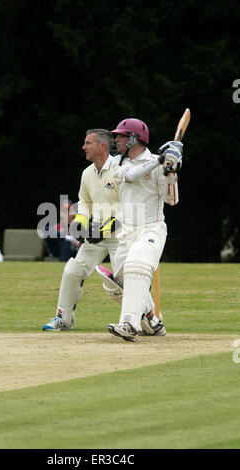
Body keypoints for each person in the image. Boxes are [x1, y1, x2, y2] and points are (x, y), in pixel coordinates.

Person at [96, 117, 183, 341]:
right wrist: (161, 161)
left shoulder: (158, 163)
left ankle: (129, 325)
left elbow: (171, 200)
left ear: (134, 138)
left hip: (151, 228)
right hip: (126, 232)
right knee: (119, 284)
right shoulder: (118, 163)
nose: (116, 139)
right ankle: (153, 321)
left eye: (121, 136)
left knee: (137, 266)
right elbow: (133, 177)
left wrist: (171, 172)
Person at [42, 128, 122, 331]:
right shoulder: (87, 173)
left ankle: (148, 319)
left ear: (102, 146)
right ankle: (63, 318)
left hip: (121, 235)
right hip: (96, 235)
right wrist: (80, 223)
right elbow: (85, 202)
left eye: (88, 143)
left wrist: (101, 231)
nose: (83, 147)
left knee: (127, 278)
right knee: (72, 270)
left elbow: (127, 208)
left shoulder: (120, 169)